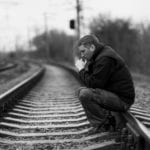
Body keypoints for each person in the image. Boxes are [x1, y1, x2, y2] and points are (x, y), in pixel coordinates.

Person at [75, 35, 135, 133]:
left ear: (92, 47)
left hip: (122, 101)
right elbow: (94, 80)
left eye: (83, 51)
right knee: (81, 91)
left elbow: (93, 83)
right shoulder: (100, 55)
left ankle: (102, 125)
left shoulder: (105, 58)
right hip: (115, 95)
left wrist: (81, 70)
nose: (82, 55)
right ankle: (105, 119)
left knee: (85, 94)